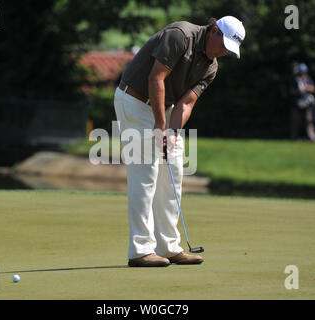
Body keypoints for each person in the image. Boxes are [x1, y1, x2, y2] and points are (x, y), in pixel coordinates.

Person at [114, 16, 246, 267]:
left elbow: (186, 103)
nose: (224, 52)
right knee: (147, 171)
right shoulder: (181, 36)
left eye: (230, 49)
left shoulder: (211, 68)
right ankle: (140, 250)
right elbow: (156, 78)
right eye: (224, 45)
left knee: (173, 169)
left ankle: (169, 246)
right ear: (214, 30)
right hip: (134, 100)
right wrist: (160, 126)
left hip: (164, 106)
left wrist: (172, 133)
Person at [289, 62, 315, 142]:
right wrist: (299, 91)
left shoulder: (308, 79)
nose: (303, 74)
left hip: (307, 103)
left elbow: (313, 89)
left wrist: (306, 87)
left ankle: (313, 138)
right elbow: (291, 91)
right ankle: (294, 138)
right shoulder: (294, 80)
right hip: (297, 103)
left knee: (309, 121)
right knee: (295, 122)